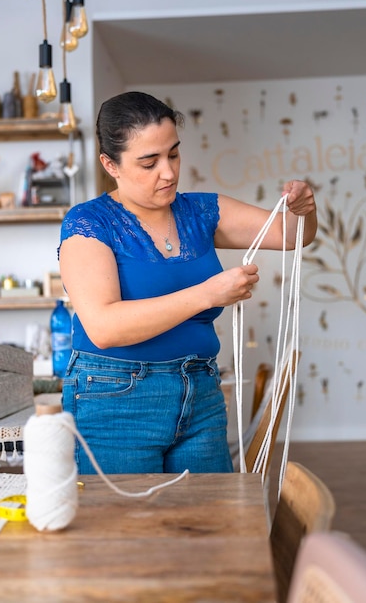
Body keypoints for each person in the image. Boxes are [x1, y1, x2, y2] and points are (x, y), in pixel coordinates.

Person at [58, 90, 317, 475]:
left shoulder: (201, 211)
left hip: (200, 393)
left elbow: (292, 234)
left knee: (208, 525)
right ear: (110, 164)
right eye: (149, 162)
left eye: (173, 154)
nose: (169, 172)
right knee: (124, 529)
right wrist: (207, 294)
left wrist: (305, 209)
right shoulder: (89, 224)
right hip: (114, 398)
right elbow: (104, 327)